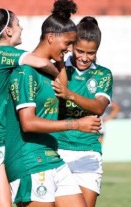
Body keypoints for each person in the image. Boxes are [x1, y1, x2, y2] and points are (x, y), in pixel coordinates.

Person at [5, 0, 101, 207]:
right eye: (67, 44)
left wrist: (57, 59)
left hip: (52, 156)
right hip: (29, 160)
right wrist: (77, 124)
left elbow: (62, 88)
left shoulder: (49, 71)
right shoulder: (25, 72)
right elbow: (28, 123)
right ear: (50, 37)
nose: (69, 50)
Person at [0, 8, 59, 207]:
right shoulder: (0, 53)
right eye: (18, 24)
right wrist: (59, 75)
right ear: (8, 31)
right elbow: (41, 61)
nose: (21, 28)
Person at [52, 16, 113, 207]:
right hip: (57, 151)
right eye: (80, 51)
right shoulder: (56, 68)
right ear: (71, 46)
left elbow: (99, 107)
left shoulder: (103, 74)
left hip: (88, 154)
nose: (84, 57)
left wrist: (69, 94)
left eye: (91, 53)